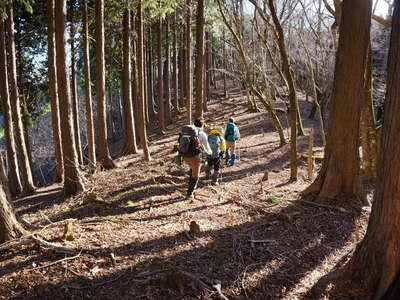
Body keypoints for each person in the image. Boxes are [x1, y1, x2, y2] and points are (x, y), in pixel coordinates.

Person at [178, 118, 212, 199]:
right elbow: (207, 148)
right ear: (202, 125)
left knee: (192, 170)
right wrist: (211, 154)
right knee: (195, 176)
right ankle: (190, 194)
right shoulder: (202, 134)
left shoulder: (187, 132)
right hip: (194, 157)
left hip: (184, 155)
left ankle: (190, 186)